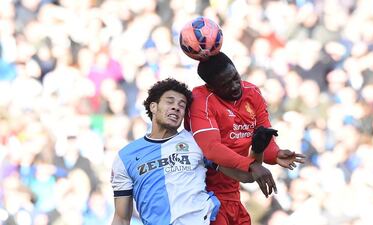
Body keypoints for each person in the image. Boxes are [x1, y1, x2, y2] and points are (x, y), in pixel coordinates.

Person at [110, 78, 275, 225]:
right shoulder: (125, 157)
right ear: (153, 106)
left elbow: (245, 177)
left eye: (182, 105)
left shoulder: (198, 143)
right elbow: (121, 218)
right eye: (170, 102)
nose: (176, 107)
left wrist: (257, 151)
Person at [184, 52, 306, 225]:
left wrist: (275, 154)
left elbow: (264, 133)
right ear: (211, 87)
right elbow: (211, 148)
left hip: (233, 191)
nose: (235, 86)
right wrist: (251, 165)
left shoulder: (252, 92)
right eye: (225, 84)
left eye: (235, 77)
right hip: (204, 194)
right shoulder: (200, 100)